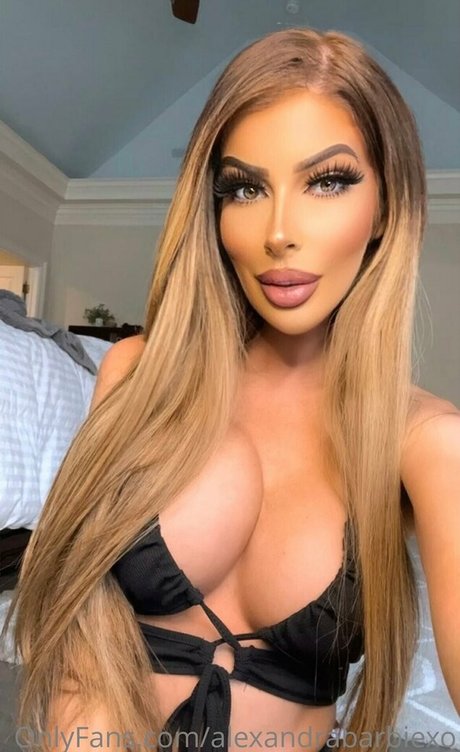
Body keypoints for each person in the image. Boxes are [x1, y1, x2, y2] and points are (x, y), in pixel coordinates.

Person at [3, 26, 459, 752]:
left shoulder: (425, 444)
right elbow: (73, 618)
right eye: (245, 188)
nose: (279, 231)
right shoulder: (137, 374)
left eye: (327, 181)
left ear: (387, 207)